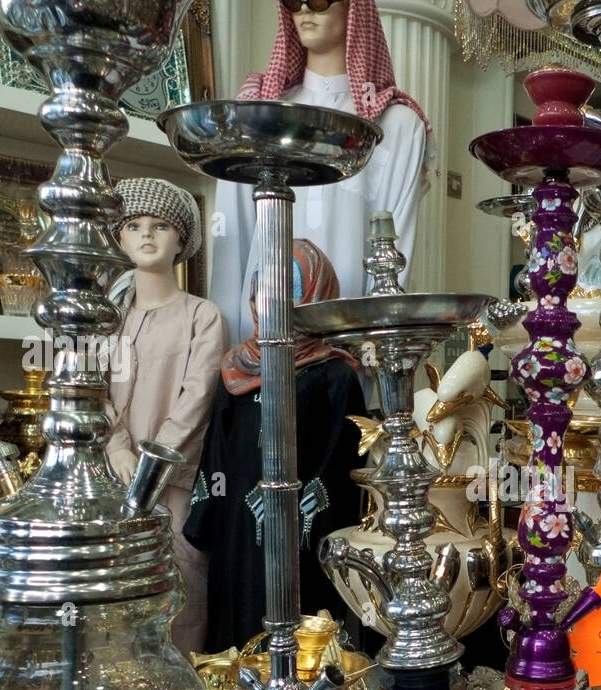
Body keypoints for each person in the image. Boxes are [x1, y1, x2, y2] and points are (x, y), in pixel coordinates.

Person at [210, 0, 429, 351]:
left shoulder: (397, 125)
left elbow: (395, 245)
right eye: (294, 3)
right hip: (259, 331)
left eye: (319, 1)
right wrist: (227, 349)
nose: (305, 11)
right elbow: (232, 236)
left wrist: (375, 345)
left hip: (349, 336)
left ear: (355, 13)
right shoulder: (258, 113)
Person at [184, 239, 366, 652]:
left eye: (287, 288)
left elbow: (342, 460)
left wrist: (304, 518)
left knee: (298, 634)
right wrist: (208, 514)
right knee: (237, 632)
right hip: (236, 530)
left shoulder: (334, 374)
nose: (271, 300)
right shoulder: (236, 368)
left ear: (314, 294)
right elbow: (217, 449)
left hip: (296, 535)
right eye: (263, 288)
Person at [105, 177, 229, 655]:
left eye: (160, 226)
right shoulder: (110, 319)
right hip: (112, 477)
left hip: (176, 480)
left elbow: (197, 398)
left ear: (182, 240)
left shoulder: (203, 316)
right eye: (134, 225)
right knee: (117, 585)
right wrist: (117, 447)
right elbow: (96, 392)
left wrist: (153, 464)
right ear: (120, 237)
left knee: (180, 584)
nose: (147, 236)